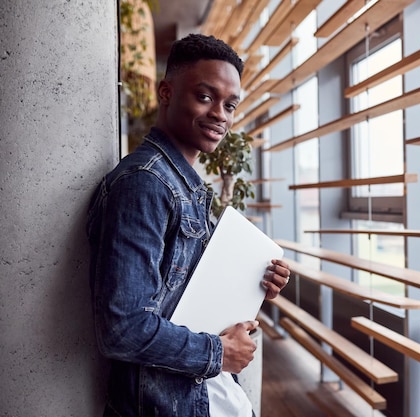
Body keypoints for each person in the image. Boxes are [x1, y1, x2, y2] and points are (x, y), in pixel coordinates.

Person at [86, 34, 290, 417]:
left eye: (230, 105)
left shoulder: (186, 187)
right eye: (205, 96)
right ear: (166, 92)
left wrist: (254, 286)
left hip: (206, 396)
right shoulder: (145, 184)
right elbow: (123, 329)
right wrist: (218, 352)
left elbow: (183, 299)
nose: (221, 115)